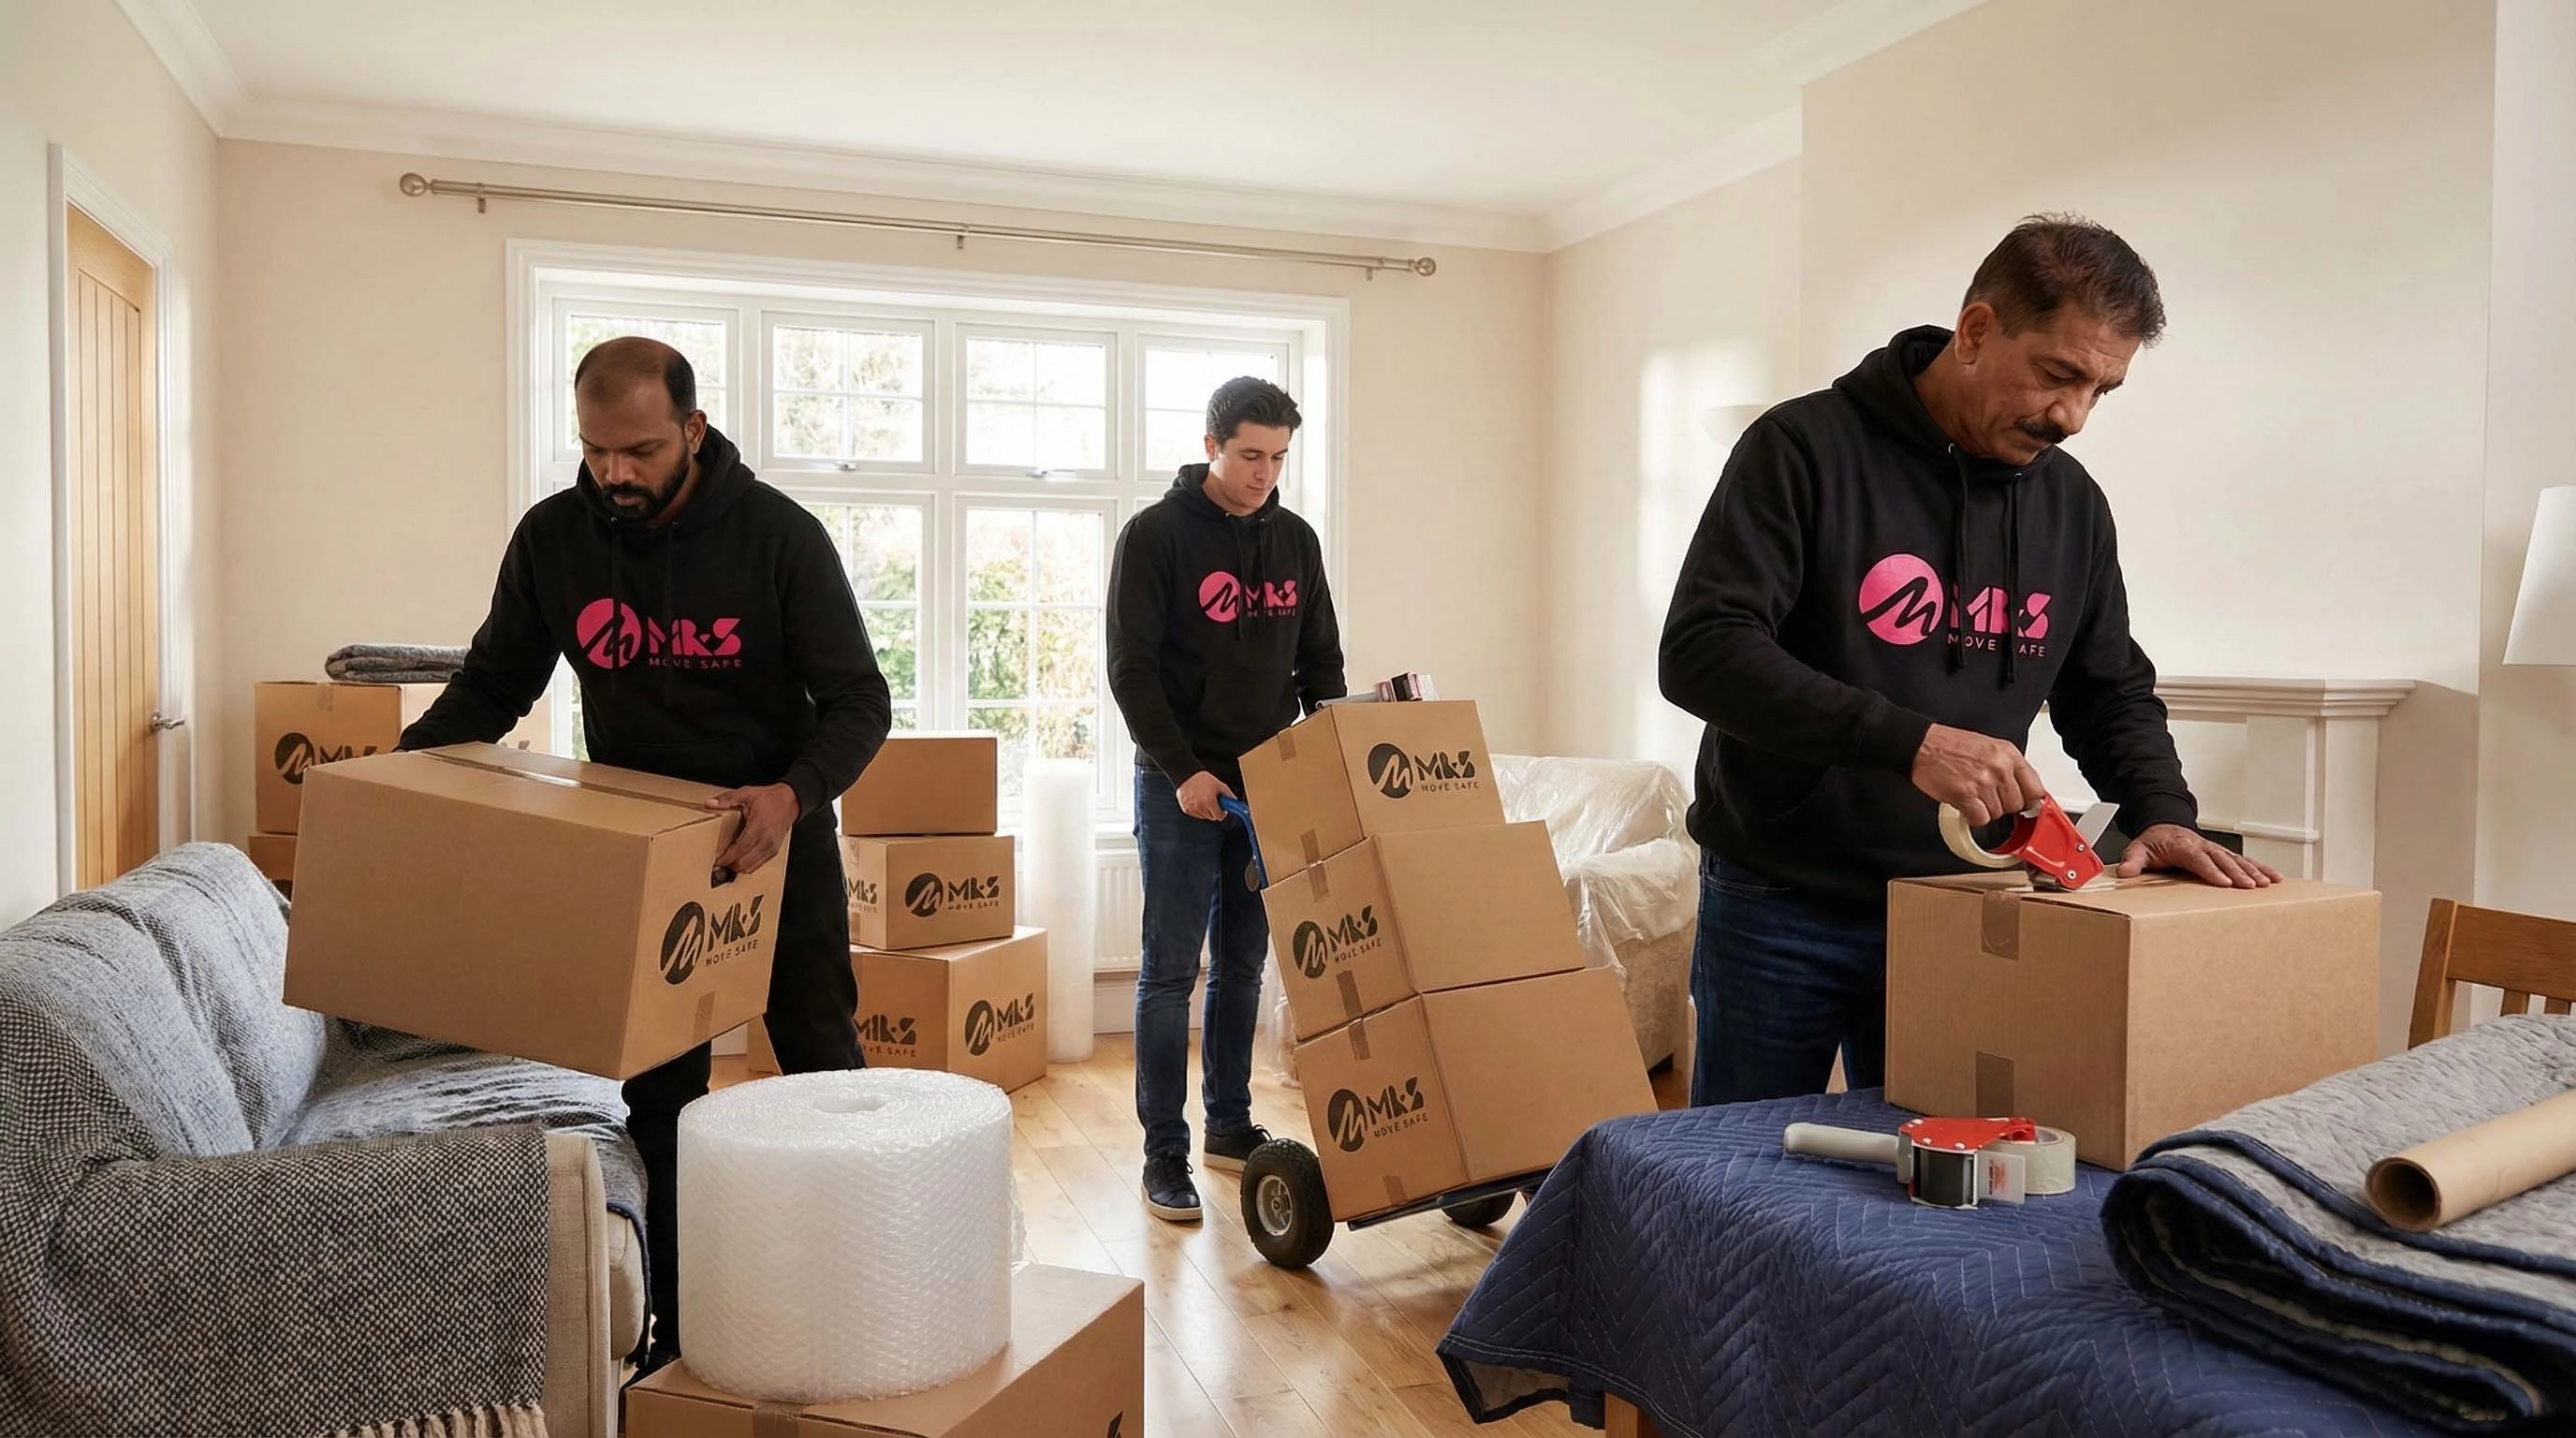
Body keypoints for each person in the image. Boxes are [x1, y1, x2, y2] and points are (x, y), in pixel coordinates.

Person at [1658, 214, 2280, 1109]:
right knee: (1731, 1167)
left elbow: (2108, 689)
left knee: (1932, 1167)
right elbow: (1703, 651)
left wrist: (2162, 811)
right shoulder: (1801, 448)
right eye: (2059, 374)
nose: (2073, 417)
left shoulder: (2073, 506)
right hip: (1780, 898)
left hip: (1964, 900)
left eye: (2102, 390)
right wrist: (1911, 742)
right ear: (1978, 329)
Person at [399, 336, 891, 1372]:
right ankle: (680, 1330)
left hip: (774, 845)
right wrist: (391, 777)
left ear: (693, 430)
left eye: (641, 450)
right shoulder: (554, 540)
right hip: (648, 862)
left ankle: (851, 1305)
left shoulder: (779, 538)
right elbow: (494, 686)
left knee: (820, 1074)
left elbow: (860, 701)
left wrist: (792, 794)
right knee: (661, 1101)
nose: (615, 472)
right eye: (596, 450)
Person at [1107, 376, 1345, 1223]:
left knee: (1244, 966)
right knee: (1170, 973)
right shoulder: (1155, 536)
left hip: (1266, 784)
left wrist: (1322, 761)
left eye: (1278, 457)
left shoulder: (1296, 541)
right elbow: (1131, 671)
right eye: (1249, 455)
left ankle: (1229, 1125)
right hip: (1180, 784)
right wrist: (1182, 770)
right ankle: (1163, 1154)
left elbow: (1322, 664)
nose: (1264, 473)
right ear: (1211, 445)